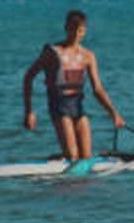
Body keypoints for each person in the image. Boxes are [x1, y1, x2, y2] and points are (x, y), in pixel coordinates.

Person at [23, 10, 125, 160]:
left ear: (85, 31)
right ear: (66, 28)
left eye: (81, 30)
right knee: (73, 155)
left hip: (77, 106)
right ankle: (55, 161)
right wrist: (29, 111)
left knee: (86, 157)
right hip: (59, 106)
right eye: (73, 29)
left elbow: (97, 89)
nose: (77, 34)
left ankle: (66, 165)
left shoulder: (88, 56)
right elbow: (28, 77)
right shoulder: (52, 53)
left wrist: (114, 114)